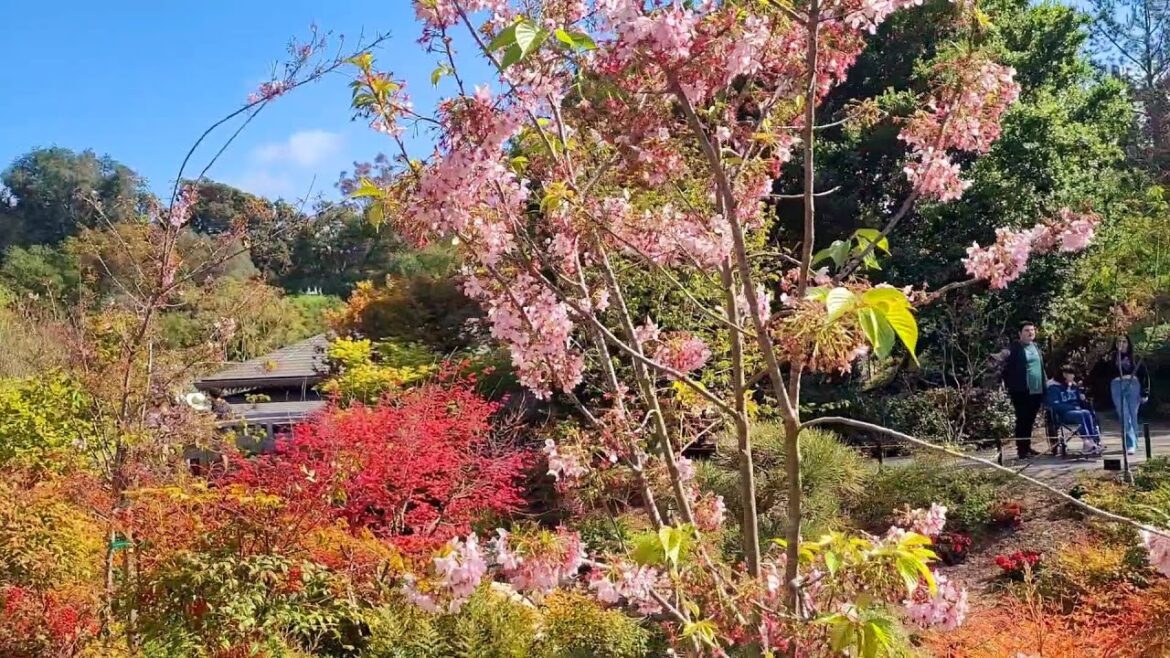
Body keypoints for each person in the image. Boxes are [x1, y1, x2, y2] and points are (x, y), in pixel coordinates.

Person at [995, 322, 1045, 459]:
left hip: (1037, 389)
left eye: (1032, 330)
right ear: (1020, 333)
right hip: (1021, 390)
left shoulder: (1036, 347)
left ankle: (1027, 446)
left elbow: (1041, 368)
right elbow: (1004, 359)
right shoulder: (1015, 348)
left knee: (1030, 420)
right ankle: (1022, 450)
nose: (1030, 333)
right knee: (1022, 419)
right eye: (1026, 330)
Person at [1102, 335, 1150, 456]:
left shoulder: (1135, 357)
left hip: (1133, 384)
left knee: (1133, 415)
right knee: (1124, 415)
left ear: (1128, 343)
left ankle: (1132, 443)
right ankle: (1131, 443)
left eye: (1124, 341)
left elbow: (1144, 375)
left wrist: (1145, 392)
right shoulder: (1110, 358)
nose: (1122, 344)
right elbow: (1101, 374)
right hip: (1117, 385)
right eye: (1119, 341)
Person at [1045, 365, 1102, 455]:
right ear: (1064, 374)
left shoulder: (1073, 386)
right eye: (1071, 374)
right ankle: (1087, 442)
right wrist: (1073, 407)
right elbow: (1054, 405)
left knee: (1086, 412)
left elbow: (1080, 403)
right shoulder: (1053, 388)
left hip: (1078, 411)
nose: (1073, 376)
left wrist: (1082, 399)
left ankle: (1091, 440)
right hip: (1063, 414)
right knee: (1081, 414)